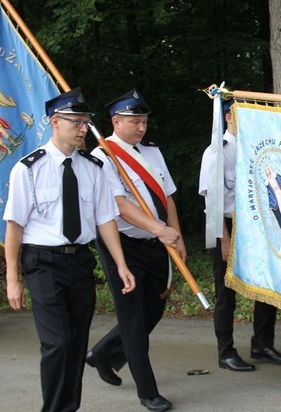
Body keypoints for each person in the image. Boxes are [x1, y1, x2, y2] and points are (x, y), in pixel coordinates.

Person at [4, 87, 136, 412]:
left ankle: (68, 408)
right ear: (54, 122)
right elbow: (14, 225)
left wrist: (121, 264)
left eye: (85, 121)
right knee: (58, 342)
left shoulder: (93, 168)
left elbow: (105, 219)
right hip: (43, 263)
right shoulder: (28, 168)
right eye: (76, 121)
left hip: (80, 263)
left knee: (76, 343)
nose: (82, 128)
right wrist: (12, 278)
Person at [85, 89, 185, 412]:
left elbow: (167, 196)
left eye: (143, 121)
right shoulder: (103, 156)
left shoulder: (152, 153)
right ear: (116, 121)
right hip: (122, 245)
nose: (141, 128)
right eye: (134, 122)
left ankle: (102, 354)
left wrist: (176, 235)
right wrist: (161, 230)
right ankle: (148, 392)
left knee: (153, 310)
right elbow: (121, 206)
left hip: (155, 243)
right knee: (132, 318)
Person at [198, 98, 281, 372]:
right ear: (228, 117)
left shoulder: (256, 148)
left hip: (258, 228)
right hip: (227, 228)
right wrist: (224, 239)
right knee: (225, 294)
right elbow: (213, 202)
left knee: (266, 288)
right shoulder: (218, 151)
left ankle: (262, 344)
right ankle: (226, 352)